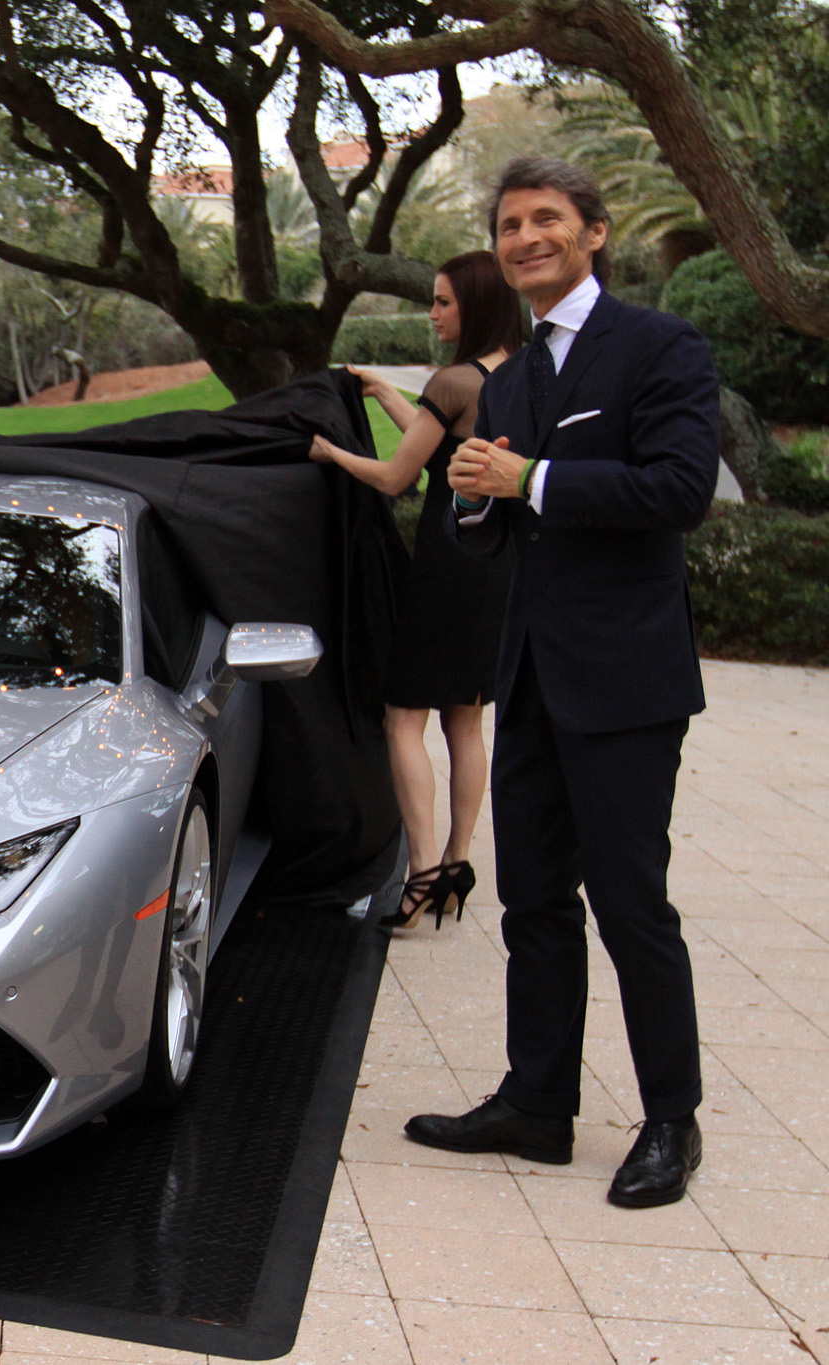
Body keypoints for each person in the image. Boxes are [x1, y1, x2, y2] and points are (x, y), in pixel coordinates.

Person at [406, 158, 721, 1209]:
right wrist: (472, 502)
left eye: (545, 219)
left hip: (624, 679)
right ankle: (536, 1102)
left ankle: (670, 1119)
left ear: (592, 234)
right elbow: (499, 527)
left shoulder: (657, 347)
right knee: (532, 899)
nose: (524, 236)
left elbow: (679, 490)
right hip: (529, 677)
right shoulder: (508, 375)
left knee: (630, 905)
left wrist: (528, 479)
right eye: (508, 224)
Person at [309, 251, 524, 930]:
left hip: (444, 569)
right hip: (498, 565)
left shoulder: (455, 377)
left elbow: (400, 476)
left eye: (442, 302)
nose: (432, 313)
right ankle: (456, 867)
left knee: (403, 718)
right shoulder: (517, 374)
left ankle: (422, 873)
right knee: (466, 717)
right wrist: (386, 393)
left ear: (475, 305)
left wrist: (329, 453)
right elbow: (441, 447)